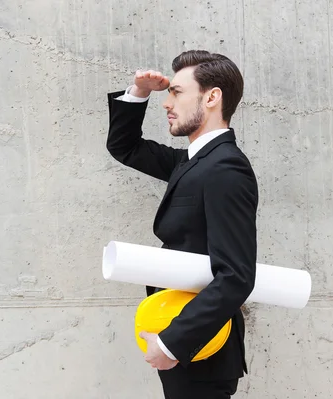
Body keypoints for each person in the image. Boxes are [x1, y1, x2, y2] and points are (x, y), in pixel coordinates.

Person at [105, 50, 259, 399]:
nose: (166, 103)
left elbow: (236, 275)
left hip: (200, 347)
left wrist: (173, 343)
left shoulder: (225, 169)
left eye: (176, 92)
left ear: (211, 97)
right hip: (186, 340)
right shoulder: (193, 161)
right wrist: (139, 92)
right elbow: (124, 147)